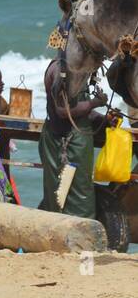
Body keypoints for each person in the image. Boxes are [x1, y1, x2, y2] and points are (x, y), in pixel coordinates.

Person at [39, 58, 108, 218]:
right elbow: (63, 111)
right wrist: (94, 103)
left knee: (81, 191)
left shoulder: (77, 68)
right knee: (63, 196)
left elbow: (81, 108)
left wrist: (102, 118)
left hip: (76, 141)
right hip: (64, 141)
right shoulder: (60, 70)